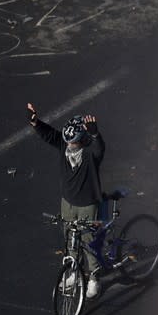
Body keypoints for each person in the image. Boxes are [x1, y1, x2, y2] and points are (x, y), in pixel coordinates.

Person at [27, 102, 106, 298]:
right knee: (71, 240)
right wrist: (36, 123)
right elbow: (50, 135)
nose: (69, 146)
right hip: (68, 203)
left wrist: (96, 135)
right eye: (68, 142)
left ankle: (94, 278)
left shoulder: (89, 154)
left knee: (90, 242)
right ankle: (73, 271)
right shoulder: (64, 145)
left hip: (88, 205)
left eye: (73, 143)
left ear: (83, 140)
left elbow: (99, 150)